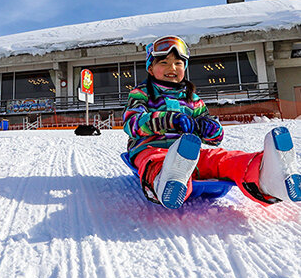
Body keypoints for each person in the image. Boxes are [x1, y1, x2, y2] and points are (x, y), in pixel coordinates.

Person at [123, 35, 300, 209]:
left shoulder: (192, 98)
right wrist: (168, 120)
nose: (172, 67)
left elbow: (215, 137)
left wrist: (209, 127)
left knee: (222, 159)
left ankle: (268, 176)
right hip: (152, 149)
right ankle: (167, 182)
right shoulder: (141, 93)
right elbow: (132, 123)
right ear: (151, 68)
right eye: (164, 62)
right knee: (155, 162)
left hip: (190, 155)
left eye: (178, 63)